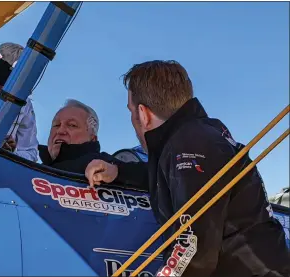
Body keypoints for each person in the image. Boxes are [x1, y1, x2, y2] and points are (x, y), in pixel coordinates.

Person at [85, 60, 290, 276]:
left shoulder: (190, 145)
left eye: (131, 111)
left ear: (143, 114)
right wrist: (119, 171)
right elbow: (175, 181)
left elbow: (194, 247)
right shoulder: (195, 137)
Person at [39, 99, 147, 189]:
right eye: (56, 125)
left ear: (93, 138)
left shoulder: (103, 164)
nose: (60, 130)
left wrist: (118, 171)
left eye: (72, 125)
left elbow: (157, 175)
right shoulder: (32, 170)